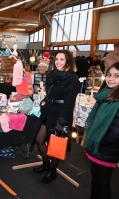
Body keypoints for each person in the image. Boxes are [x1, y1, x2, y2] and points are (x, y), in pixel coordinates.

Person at [32, 50, 80, 183]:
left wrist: (62, 122)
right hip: (49, 110)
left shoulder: (72, 79)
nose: (58, 62)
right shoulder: (54, 75)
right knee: (40, 139)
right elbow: (52, 92)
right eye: (57, 59)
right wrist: (46, 100)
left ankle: (52, 171)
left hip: (61, 114)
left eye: (62, 59)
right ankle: (46, 164)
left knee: (56, 145)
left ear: (68, 61)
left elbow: (69, 103)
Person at [83, 62, 119, 199]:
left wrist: (97, 142)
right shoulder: (106, 95)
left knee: (103, 183)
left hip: (106, 148)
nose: (111, 79)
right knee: (96, 179)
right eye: (109, 75)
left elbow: (116, 133)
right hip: (98, 147)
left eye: (117, 76)